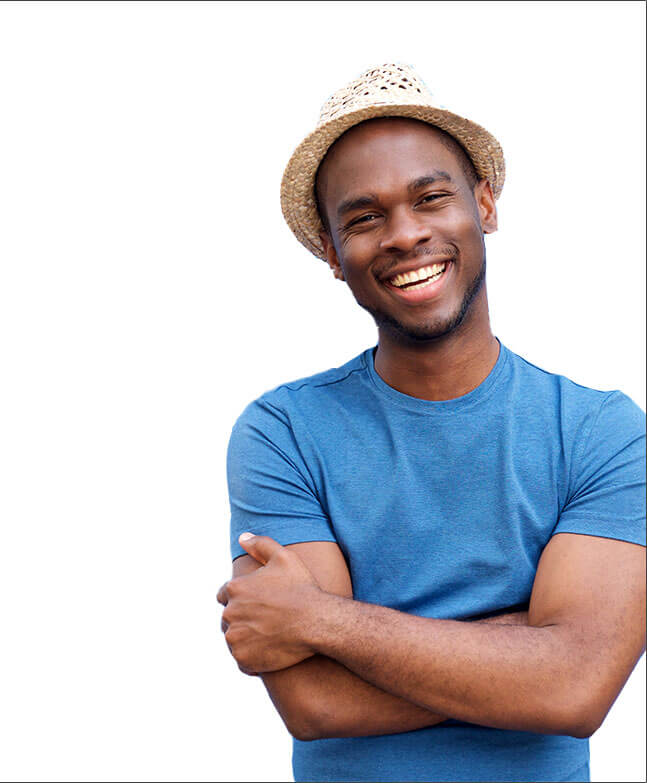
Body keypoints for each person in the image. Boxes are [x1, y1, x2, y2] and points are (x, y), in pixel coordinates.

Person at [216, 63, 646, 783]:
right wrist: (527, 650)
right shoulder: (281, 431)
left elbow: (574, 687)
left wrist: (319, 620)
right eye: (363, 217)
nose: (403, 234)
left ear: (483, 203)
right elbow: (313, 700)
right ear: (331, 253)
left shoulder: (600, 431)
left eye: (430, 198)